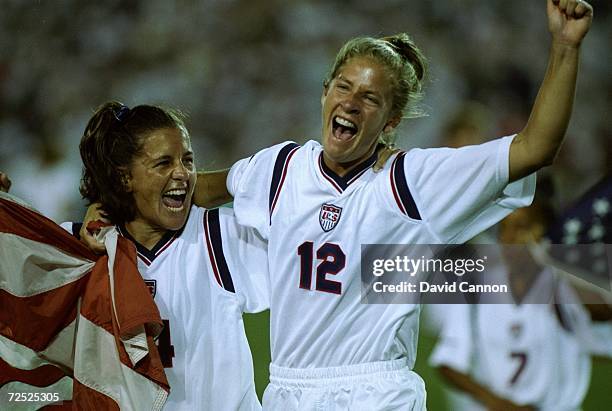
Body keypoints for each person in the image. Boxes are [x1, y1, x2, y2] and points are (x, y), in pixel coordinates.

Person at [207, 1, 594, 409]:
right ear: (324, 92)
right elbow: (198, 189)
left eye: (370, 98)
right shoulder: (281, 167)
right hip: (288, 388)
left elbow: (535, 147)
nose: (351, 102)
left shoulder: (413, 180)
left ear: (391, 122)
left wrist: (565, 46)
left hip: (374, 390)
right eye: (343, 86)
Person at [73, 101, 268, 410]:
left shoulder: (220, 236)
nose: (182, 173)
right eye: (163, 163)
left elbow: (331, 246)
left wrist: (376, 286)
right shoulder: (85, 248)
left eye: (187, 161)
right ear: (125, 178)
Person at [430, 187, 611, 411]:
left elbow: (602, 317)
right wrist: (499, 404)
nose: (512, 238)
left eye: (523, 227)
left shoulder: (564, 286)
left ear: (547, 233)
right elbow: (448, 362)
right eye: (505, 229)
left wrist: (560, 264)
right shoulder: (476, 286)